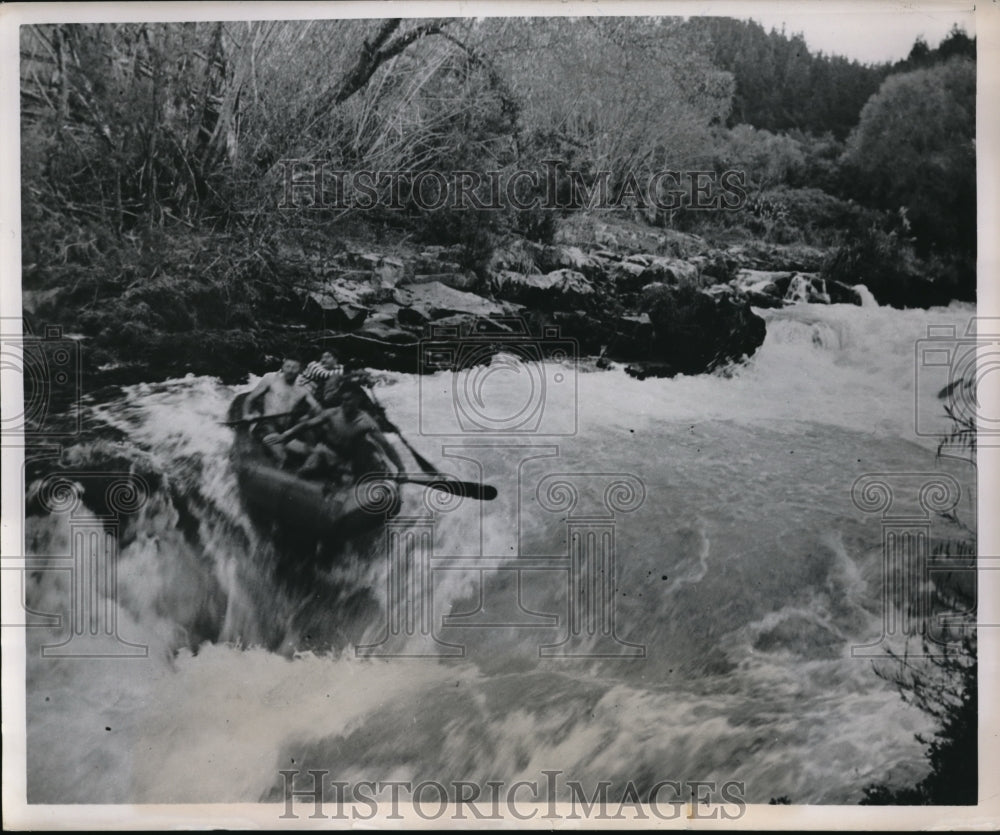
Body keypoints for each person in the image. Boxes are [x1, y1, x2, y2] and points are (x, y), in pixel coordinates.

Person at [266, 381, 403, 483]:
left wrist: (401, 469)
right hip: (325, 451)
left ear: (357, 399)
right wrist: (285, 435)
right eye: (342, 399)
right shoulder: (333, 413)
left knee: (363, 458)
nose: (344, 403)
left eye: (348, 399)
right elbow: (306, 425)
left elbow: (386, 446)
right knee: (306, 471)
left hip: (347, 459)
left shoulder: (366, 422)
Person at [242, 357, 319, 464]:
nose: (290, 370)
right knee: (282, 456)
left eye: (294, 367)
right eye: (288, 366)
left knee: (312, 453)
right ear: (283, 367)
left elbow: (316, 408)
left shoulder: (303, 387)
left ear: (300, 369)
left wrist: (310, 414)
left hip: (286, 430)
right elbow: (249, 399)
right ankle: (281, 461)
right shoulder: (271, 379)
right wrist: (246, 414)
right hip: (267, 425)